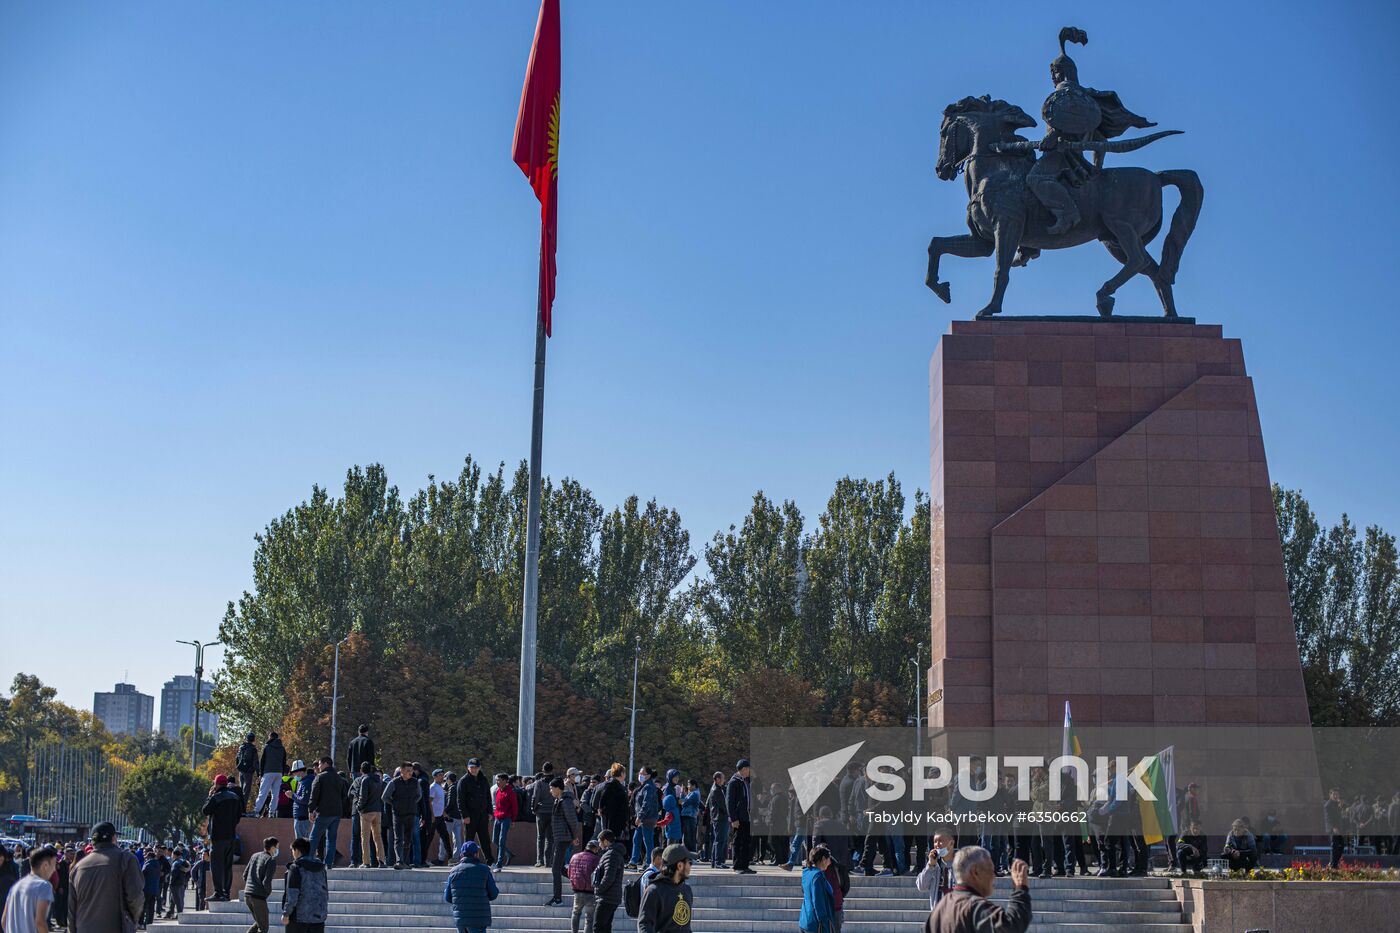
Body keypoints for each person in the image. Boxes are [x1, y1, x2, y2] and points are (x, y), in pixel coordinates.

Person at [926, 850, 1031, 933]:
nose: (993, 876)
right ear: (975, 871)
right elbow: (1011, 927)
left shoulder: (941, 908)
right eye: (990, 870)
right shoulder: (974, 906)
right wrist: (1020, 889)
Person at [69, 822, 143, 933]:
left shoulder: (78, 867)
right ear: (113, 838)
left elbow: (71, 909)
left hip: (84, 927)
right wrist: (133, 920)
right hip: (115, 926)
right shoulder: (126, 859)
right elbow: (135, 896)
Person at [202, 773, 244, 901]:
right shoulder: (235, 797)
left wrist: (210, 796)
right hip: (231, 836)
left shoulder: (216, 797)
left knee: (216, 866)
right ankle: (226, 893)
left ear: (217, 784)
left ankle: (218, 893)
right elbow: (239, 816)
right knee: (227, 866)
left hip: (217, 837)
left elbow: (205, 810)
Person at [636, 844, 692, 933]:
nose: (690, 866)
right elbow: (645, 924)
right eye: (689, 862)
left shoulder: (687, 890)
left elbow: (686, 926)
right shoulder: (654, 891)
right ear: (680, 865)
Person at [444, 841, 498, 933]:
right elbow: (494, 894)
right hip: (478, 919)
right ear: (476, 854)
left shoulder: (453, 872)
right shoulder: (484, 870)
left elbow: (447, 897)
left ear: (462, 855)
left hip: (461, 920)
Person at [2, 846, 56, 933]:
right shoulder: (44, 886)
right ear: (45, 865)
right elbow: (40, 922)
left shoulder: (15, 886)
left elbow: (4, 921)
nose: (54, 870)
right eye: (54, 865)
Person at [281, 837, 328, 933]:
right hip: (318, 918)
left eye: (292, 850)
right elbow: (325, 892)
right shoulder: (321, 868)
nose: (293, 853)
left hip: (298, 919)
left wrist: (286, 913)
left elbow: (292, 895)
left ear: (297, 851)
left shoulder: (295, 867)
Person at [547, 777, 581, 907]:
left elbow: (572, 820)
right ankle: (580, 880)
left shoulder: (565, 801)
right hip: (560, 837)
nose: (550, 791)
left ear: (557, 788)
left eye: (551, 788)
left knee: (555, 869)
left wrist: (574, 836)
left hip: (564, 837)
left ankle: (558, 899)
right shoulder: (559, 800)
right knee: (560, 868)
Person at [308, 757, 347, 868]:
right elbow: (344, 796)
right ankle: (329, 863)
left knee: (314, 837)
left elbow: (314, 795)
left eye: (320, 764)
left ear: (326, 764)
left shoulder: (320, 777)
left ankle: (308, 860)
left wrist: (311, 810)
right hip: (336, 813)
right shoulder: (339, 778)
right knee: (331, 839)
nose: (319, 766)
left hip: (324, 812)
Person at [385, 764, 423, 870]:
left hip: (411, 813)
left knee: (408, 839)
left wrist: (412, 803)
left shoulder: (415, 782)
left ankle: (405, 862)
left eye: (411, 770)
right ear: (401, 771)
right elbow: (385, 797)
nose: (410, 772)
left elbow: (419, 795)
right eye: (407, 770)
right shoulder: (394, 782)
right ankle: (399, 861)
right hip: (398, 814)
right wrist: (395, 804)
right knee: (398, 838)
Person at [459, 759, 495, 864]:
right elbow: (460, 800)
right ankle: (467, 861)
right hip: (470, 816)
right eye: (471, 767)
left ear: (479, 768)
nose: (474, 769)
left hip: (483, 815)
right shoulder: (464, 780)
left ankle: (490, 861)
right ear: (468, 768)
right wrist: (464, 815)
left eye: (476, 767)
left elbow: (488, 797)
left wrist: (490, 812)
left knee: (485, 839)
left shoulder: (483, 779)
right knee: (468, 840)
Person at [352, 762, 385, 869]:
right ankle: (382, 861)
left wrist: (358, 808)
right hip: (377, 811)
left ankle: (366, 862)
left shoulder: (365, 780)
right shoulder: (379, 780)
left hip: (366, 811)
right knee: (378, 837)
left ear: (361, 770)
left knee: (365, 837)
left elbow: (363, 797)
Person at [590, 830, 625, 933]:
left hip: (606, 897)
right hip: (610, 897)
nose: (599, 845)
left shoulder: (611, 855)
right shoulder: (613, 853)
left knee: (598, 927)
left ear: (605, 841)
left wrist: (598, 890)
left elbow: (609, 877)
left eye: (599, 842)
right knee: (605, 927)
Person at [242, 836, 279, 933]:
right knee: (263, 928)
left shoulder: (254, 856)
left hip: (247, 895)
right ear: (272, 848)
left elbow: (244, 875)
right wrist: (267, 893)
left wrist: (251, 886)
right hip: (258, 897)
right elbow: (266, 881)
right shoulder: (270, 860)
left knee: (259, 923)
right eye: (277, 847)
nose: (277, 850)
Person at [799, 845, 836, 933]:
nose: (830, 862)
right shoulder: (818, 876)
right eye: (829, 859)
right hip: (816, 925)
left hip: (805, 919)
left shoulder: (806, 872)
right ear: (823, 859)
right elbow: (818, 903)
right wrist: (825, 926)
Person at [915, 832, 957, 910]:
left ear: (951, 843)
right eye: (935, 842)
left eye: (941, 841)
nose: (937, 845)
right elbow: (921, 886)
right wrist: (930, 865)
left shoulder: (961, 863)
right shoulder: (934, 865)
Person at [726, 760, 754, 874]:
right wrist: (733, 818)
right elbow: (730, 802)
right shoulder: (734, 782)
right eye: (748, 769)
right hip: (738, 818)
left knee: (746, 842)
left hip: (747, 816)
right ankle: (737, 866)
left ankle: (745, 865)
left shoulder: (745, 781)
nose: (749, 771)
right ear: (743, 769)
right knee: (738, 841)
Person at [568, 839, 601, 933]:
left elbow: (569, 872)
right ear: (595, 849)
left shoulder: (574, 856)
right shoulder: (595, 859)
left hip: (577, 891)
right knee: (589, 918)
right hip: (590, 892)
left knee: (575, 913)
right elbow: (598, 875)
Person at [253, 731, 287, 818]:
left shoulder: (267, 747)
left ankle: (256, 811)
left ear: (271, 737)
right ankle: (272, 812)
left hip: (268, 772)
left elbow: (262, 761)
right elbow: (284, 762)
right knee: (275, 794)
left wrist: (260, 773)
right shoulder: (282, 748)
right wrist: (282, 772)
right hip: (279, 772)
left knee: (263, 792)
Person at [491, 772, 518, 872]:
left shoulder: (510, 792)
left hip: (506, 818)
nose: (497, 782)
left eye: (499, 780)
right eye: (496, 780)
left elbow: (514, 807)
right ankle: (509, 854)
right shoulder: (498, 791)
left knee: (502, 840)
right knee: (495, 840)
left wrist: (513, 820)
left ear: (505, 781)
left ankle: (499, 863)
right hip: (497, 818)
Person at [533, 762, 558, 868]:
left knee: (540, 837)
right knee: (550, 838)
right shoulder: (557, 782)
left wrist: (534, 809)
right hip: (553, 812)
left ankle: (539, 860)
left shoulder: (539, 783)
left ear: (543, 770)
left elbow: (535, 797)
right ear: (552, 770)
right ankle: (548, 861)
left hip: (541, 812)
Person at [429, 770, 454, 866]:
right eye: (440, 775)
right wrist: (431, 815)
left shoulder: (440, 787)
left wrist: (444, 813)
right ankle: (422, 859)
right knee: (429, 837)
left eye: (442, 775)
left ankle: (451, 859)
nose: (442, 777)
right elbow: (429, 802)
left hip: (440, 817)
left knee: (445, 837)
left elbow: (439, 803)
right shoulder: (433, 787)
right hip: (434, 817)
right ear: (434, 777)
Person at [704, 772, 729, 869]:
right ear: (718, 779)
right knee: (720, 840)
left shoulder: (717, 788)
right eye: (723, 778)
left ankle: (715, 862)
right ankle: (718, 862)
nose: (724, 780)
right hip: (720, 818)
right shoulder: (716, 790)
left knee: (718, 840)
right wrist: (730, 813)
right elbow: (722, 805)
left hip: (717, 818)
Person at [236, 733, 260, 811]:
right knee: (246, 791)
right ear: (253, 739)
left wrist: (238, 767)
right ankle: (243, 809)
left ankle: (239, 808)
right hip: (248, 771)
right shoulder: (253, 749)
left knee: (241, 789)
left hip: (241, 770)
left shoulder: (241, 747)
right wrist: (258, 773)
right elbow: (256, 762)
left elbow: (237, 758)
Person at [1324, 787, 1346, 868]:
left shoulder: (1336, 804)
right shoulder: (1328, 805)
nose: (1336, 796)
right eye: (1334, 794)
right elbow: (1328, 818)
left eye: (1337, 794)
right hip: (1333, 829)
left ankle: (1334, 863)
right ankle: (1333, 865)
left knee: (1341, 846)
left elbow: (1339, 817)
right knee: (1335, 846)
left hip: (1339, 829)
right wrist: (1333, 827)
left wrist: (1340, 807)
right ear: (1330, 795)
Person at [289, 760, 312, 841]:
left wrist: (292, 795)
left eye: (294, 773)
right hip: (300, 816)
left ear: (300, 771)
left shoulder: (306, 782)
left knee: (301, 843)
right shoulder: (302, 782)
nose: (294, 775)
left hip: (302, 817)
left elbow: (305, 800)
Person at [139, 847, 161, 929]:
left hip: (146, 888)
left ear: (149, 857)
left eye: (146, 857)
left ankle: (141, 923)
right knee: (151, 907)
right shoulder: (157, 864)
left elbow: (141, 875)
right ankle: (149, 923)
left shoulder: (147, 864)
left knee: (143, 907)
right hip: (154, 889)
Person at [166, 847, 191, 919]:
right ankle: (171, 913)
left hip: (175, 884)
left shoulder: (175, 863)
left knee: (176, 900)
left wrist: (170, 883)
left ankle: (180, 915)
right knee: (175, 899)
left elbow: (173, 873)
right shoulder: (183, 862)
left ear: (174, 855)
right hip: (181, 883)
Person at [680, 780, 701, 855]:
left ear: (694, 785)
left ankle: (691, 855)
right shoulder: (691, 793)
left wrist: (682, 794)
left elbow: (684, 803)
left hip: (690, 817)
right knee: (687, 837)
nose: (688, 787)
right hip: (688, 817)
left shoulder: (695, 793)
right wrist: (683, 794)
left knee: (689, 837)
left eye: (689, 785)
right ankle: (689, 854)